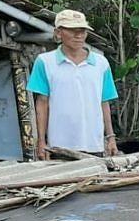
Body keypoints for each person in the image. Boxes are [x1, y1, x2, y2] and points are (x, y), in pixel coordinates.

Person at [26, 9, 119, 160]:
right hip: (59, 145)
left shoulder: (101, 63)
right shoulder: (45, 62)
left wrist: (110, 137)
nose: (79, 35)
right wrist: (41, 141)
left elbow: (104, 102)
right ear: (58, 33)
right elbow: (42, 104)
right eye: (72, 30)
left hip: (94, 143)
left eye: (82, 30)